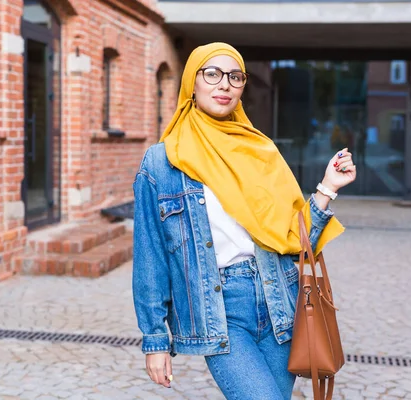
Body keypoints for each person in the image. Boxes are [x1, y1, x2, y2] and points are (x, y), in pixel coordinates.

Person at [132, 42, 356, 399]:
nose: (224, 84)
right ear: (193, 81)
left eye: (235, 77)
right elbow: (150, 257)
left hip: (279, 300)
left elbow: (295, 241)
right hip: (221, 311)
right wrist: (155, 340)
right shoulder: (161, 164)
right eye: (212, 74)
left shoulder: (260, 151)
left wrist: (328, 187)